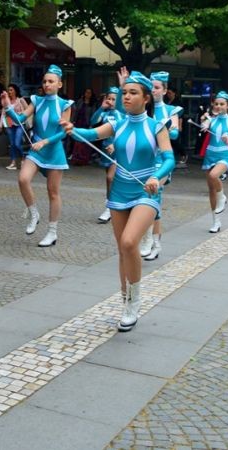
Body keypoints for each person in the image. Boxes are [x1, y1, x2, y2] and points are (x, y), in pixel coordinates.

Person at [62, 71, 174, 331]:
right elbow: (90, 134)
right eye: (124, 92)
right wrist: (72, 129)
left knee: (129, 241)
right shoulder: (118, 124)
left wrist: (156, 177)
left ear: (146, 98)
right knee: (123, 250)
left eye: (133, 93)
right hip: (119, 192)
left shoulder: (157, 126)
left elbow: (168, 158)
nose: (127, 97)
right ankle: (126, 301)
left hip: (146, 190)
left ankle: (134, 302)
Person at [1, 65, 73, 247]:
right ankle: (34, 214)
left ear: (59, 84)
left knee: (53, 192)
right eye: (45, 81)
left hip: (54, 151)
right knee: (23, 179)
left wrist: (45, 142)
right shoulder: (37, 101)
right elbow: (20, 119)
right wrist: (7, 107)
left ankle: (52, 232)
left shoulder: (65, 105)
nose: (47, 84)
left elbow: (63, 133)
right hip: (36, 149)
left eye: (51, 81)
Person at [142, 71, 182, 259]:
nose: (153, 90)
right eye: (151, 87)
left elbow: (175, 134)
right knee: (151, 201)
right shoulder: (143, 108)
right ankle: (156, 244)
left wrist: (164, 127)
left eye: (157, 88)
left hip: (162, 161)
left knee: (152, 194)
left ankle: (148, 240)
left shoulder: (171, 110)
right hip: (144, 160)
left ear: (165, 90)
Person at [200, 91, 228, 233]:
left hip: (224, 155)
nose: (218, 106)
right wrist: (205, 124)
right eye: (216, 104)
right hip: (210, 154)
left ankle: (222, 197)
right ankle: (216, 221)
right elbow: (205, 123)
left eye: (222, 104)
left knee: (214, 176)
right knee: (211, 190)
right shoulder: (211, 119)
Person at [89, 87, 124, 223]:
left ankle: (110, 207)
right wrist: (101, 108)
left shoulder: (123, 113)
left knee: (110, 178)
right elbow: (93, 122)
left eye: (114, 99)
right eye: (108, 98)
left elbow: (124, 131)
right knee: (110, 180)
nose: (110, 101)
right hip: (105, 150)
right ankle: (115, 204)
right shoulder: (104, 113)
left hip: (118, 150)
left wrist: (115, 144)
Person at [0, 83, 26, 170]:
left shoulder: (20, 100)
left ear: (15, 91)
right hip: (9, 123)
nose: (9, 92)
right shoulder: (6, 100)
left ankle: (23, 158)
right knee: (12, 144)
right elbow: (3, 113)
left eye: (11, 90)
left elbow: (27, 110)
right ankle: (13, 163)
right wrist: (0, 124)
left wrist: (21, 114)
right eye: (8, 90)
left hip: (19, 123)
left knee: (17, 143)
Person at [70, 88, 97, 165]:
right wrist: (72, 121)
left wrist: (91, 125)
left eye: (89, 93)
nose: (88, 94)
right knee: (77, 141)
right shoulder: (80, 101)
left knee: (85, 142)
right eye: (86, 92)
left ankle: (84, 159)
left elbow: (93, 115)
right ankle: (76, 159)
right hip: (78, 123)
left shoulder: (93, 103)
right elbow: (76, 112)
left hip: (87, 124)